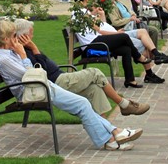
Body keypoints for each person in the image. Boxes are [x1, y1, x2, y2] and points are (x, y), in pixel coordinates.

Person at [0, 19, 143, 151]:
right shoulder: (5, 59)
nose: (16, 38)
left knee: (83, 103)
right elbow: (30, 75)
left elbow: (37, 73)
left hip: (43, 85)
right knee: (82, 103)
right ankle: (113, 135)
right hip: (35, 90)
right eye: (13, 36)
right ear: (5, 39)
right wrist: (24, 55)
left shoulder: (10, 53)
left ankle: (113, 136)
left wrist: (23, 53)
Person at [13, 19, 149, 116]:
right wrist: (35, 48)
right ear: (23, 36)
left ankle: (108, 130)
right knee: (95, 72)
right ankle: (124, 105)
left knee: (95, 89)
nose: (33, 36)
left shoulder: (27, 49)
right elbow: (40, 70)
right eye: (31, 33)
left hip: (61, 78)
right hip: (57, 82)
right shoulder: (25, 52)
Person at [73, 0, 168, 88]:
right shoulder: (81, 13)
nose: (92, 0)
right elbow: (99, 30)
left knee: (126, 49)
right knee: (124, 37)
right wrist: (116, 34)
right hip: (93, 44)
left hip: (96, 41)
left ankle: (130, 80)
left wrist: (97, 14)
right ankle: (139, 57)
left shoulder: (82, 12)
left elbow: (99, 27)